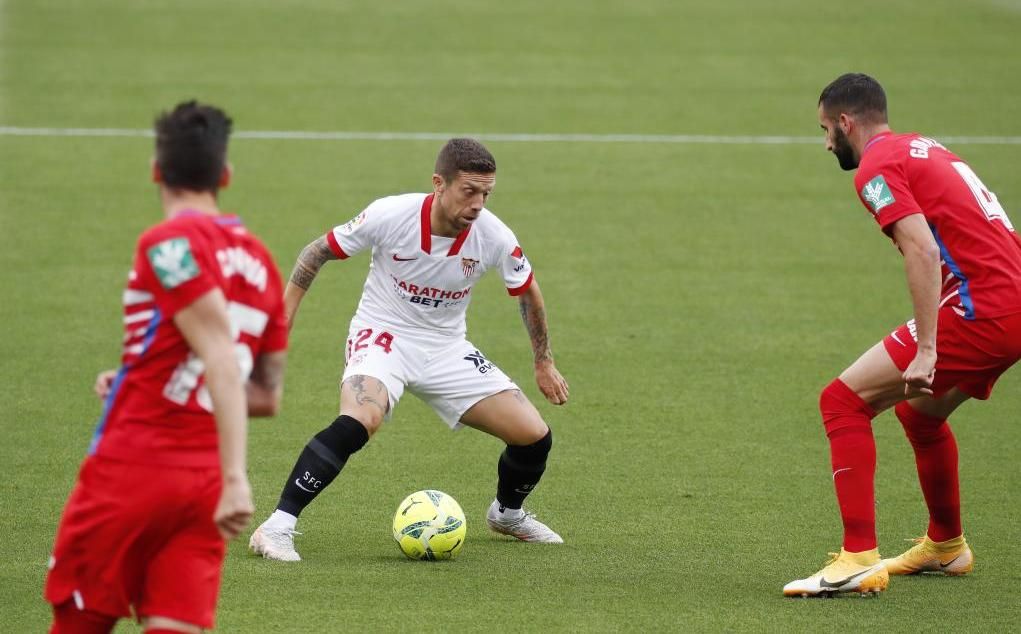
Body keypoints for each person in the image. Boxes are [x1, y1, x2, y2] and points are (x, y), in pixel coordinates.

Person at [249, 138, 569, 562]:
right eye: (468, 191)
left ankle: (507, 514)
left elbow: (528, 293)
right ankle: (277, 526)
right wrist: (283, 316)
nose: (477, 204)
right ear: (439, 183)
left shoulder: (494, 236)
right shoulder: (391, 215)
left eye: (486, 193)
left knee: (533, 436)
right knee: (362, 418)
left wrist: (543, 361)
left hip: (446, 348)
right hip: (384, 335)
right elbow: (318, 251)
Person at [44, 101, 289, 632]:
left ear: (156, 170)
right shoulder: (262, 264)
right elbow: (265, 395)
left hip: (132, 469)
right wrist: (139, 379)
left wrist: (238, 477)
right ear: (225, 175)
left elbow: (217, 353)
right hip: (201, 488)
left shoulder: (168, 244)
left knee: (78, 622)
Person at [784, 73, 1021, 597]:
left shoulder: (875, 168)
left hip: (982, 308)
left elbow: (923, 249)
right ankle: (946, 545)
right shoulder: (923, 147)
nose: (827, 144)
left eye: (826, 130)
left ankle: (857, 559)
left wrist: (928, 349)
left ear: (846, 122)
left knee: (842, 401)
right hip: (1011, 303)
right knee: (921, 414)